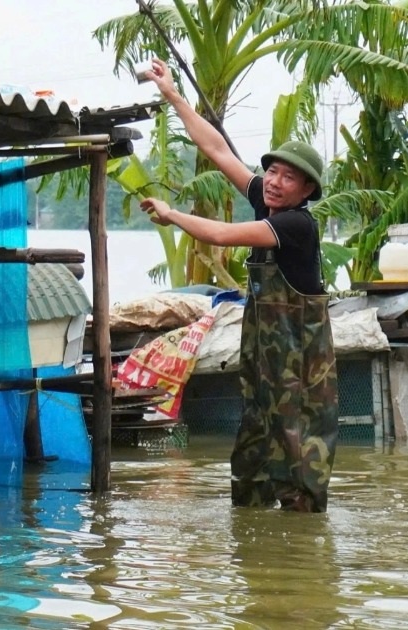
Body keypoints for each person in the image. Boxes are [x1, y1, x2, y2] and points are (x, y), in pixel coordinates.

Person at [139, 58, 339, 513]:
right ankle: (256, 544)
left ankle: (302, 545)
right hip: (266, 365)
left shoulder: (294, 225)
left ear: (306, 191)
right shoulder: (266, 199)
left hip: (301, 369)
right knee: (253, 446)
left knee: (298, 454)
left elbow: (222, 236)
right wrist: (172, 95)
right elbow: (218, 150)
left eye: (289, 178)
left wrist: (171, 215)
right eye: (272, 172)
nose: (274, 182)